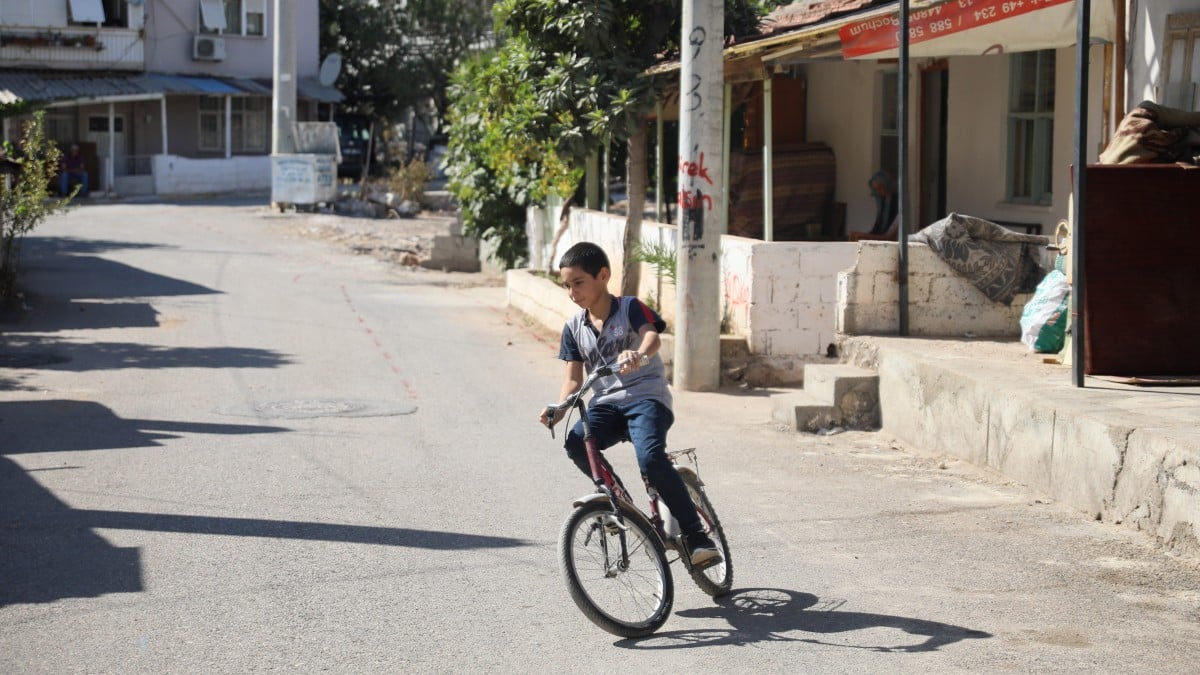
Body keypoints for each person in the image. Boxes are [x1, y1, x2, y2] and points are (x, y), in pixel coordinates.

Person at [538, 241, 721, 567]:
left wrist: (640, 353)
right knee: (576, 441)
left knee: (650, 459)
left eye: (578, 282)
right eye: (567, 285)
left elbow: (652, 336)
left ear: (603, 275)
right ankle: (620, 503)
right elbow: (573, 379)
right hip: (606, 404)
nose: (572, 292)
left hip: (646, 398)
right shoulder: (573, 327)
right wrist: (560, 406)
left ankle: (697, 536)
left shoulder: (630, 307)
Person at [850, 169, 898, 241]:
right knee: (853, 235)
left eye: (881, 188)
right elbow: (877, 228)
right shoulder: (883, 203)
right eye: (877, 190)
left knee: (856, 236)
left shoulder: (896, 205)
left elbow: (890, 236)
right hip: (879, 236)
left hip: (887, 240)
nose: (879, 192)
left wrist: (865, 236)